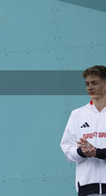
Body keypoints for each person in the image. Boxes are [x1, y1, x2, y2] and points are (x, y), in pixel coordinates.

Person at [61, 65, 106, 196]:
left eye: (94, 83)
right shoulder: (77, 114)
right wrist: (82, 152)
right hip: (87, 188)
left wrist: (97, 152)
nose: (90, 88)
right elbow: (67, 149)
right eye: (87, 84)